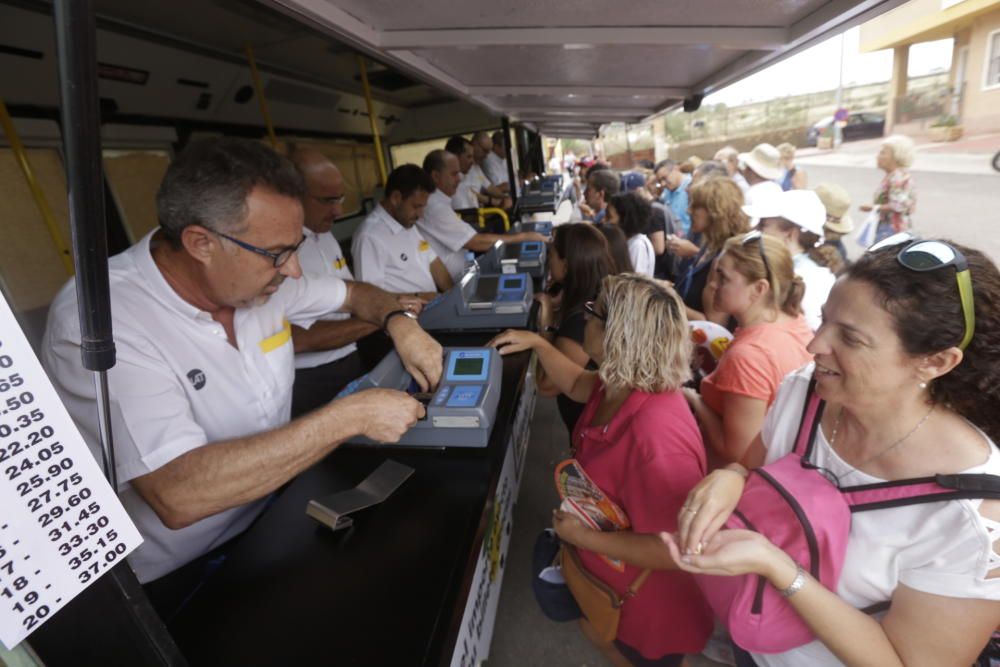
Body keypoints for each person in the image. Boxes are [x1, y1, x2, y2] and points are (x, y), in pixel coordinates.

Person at [41, 138, 441, 601]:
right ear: (201, 243)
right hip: (178, 572)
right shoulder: (101, 321)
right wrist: (350, 416)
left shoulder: (265, 284)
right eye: (276, 253)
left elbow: (354, 295)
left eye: (294, 249)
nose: (293, 270)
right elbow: (179, 494)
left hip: (273, 513)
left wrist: (397, 322)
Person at [670, 237, 1000, 667]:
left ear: (935, 362)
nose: (815, 346)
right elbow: (750, 468)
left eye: (851, 338)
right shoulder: (805, 390)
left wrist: (779, 569)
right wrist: (730, 477)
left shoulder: (972, 516)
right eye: (824, 320)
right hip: (753, 643)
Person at [490, 275, 713, 667]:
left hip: (649, 603)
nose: (584, 317)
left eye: (594, 312)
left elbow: (675, 547)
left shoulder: (657, 437)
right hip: (611, 579)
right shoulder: (619, 383)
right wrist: (540, 344)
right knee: (602, 636)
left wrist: (581, 538)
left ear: (620, 336)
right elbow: (577, 382)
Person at [684, 232, 812, 467]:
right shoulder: (795, 320)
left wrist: (693, 399)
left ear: (759, 289)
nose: (712, 284)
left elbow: (736, 453)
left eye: (723, 278)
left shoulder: (748, 355)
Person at [285, 146, 381, 416]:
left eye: (340, 198)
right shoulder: (279, 250)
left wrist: (392, 307)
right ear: (294, 195)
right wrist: (380, 317)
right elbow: (299, 339)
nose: (338, 210)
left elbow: (354, 294)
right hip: (310, 378)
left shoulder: (325, 236)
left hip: (350, 360)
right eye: (327, 200)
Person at [536, 224, 616, 435]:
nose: (548, 261)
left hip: (587, 428)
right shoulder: (594, 296)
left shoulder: (585, 318)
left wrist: (546, 324)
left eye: (551, 255)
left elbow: (547, 385)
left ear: (566, 265)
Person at [418, 149, 546, 281]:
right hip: (460, 280)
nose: (459, 178)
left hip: (469, 268)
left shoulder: (440, 202)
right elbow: (475, 242)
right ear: (436, 176)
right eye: (454, 174)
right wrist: (522, 237)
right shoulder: (434, 207)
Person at [351, 164, 453, 299]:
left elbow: (434, 262)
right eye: (416, 206)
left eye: (423, 207)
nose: (420, 214)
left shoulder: (406, 222)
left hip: (432, 308)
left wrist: (454, 296)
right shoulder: (369, 236)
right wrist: (419, 297)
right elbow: (370, 297)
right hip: (405, 317)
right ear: (396, 198)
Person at [746, 189, 836, 331]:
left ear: (790, 233)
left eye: (764, 225)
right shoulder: (794, 269)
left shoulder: (812, 279)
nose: (756, 229)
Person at [674, 177, 750, 322]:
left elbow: (714, 324)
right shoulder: (709, 244)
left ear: (715, 212)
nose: (688, 210)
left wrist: (669, 299)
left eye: (695, 206)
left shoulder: (728, 257)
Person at [861, 134, 916, 243]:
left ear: (896, 157)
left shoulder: (897, 177)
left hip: (891, 230)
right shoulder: (894, 175)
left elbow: (898, 205)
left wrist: (873, 207)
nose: (877, 156)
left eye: (883, 153)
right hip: (893, 228)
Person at [607, 192, 656, 278]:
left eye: (609, 217)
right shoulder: (627, 241)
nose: (605, 221)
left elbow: (635, 280)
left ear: (625, 219)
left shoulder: (638, 246)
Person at [654, 159, 692, 238]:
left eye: (664, 178)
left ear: (676, 169)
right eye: (659, 181)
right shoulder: (666, 193)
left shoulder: (692, 187)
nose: (663, 184)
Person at [445, 136, 479, 211]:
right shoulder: (447, 186)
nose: (473, 161)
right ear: (455, 157)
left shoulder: (465, 178)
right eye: (469, 157)